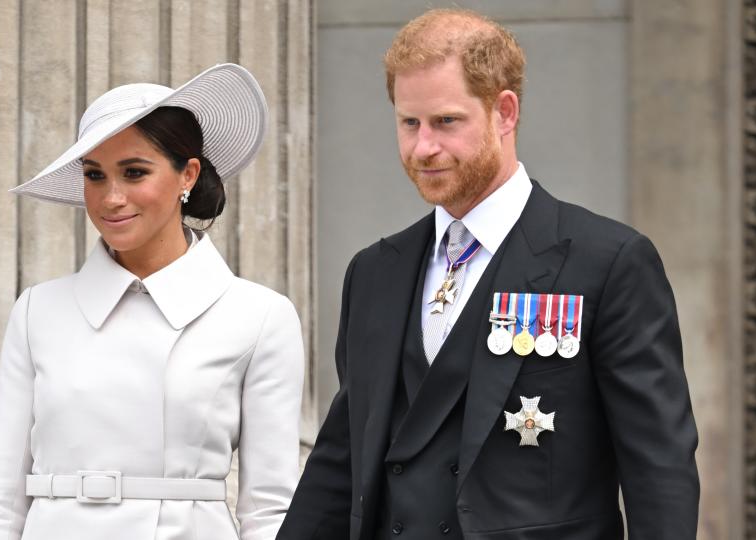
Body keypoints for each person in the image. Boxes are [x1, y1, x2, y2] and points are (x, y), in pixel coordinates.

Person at [279, 9, 698, 540]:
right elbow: (342, 458)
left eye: (446, 122)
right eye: (409, 123)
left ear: (504, 112)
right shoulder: (373, 272)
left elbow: (658, 464)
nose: (422, 148)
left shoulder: (609, 261)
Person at [0, 63, 304, 540]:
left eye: (134, 172)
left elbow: (271, 510)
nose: (111, 198)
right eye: (94, 174)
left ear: (187, 174)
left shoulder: (259, 317)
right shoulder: (36, 312)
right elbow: (0, 502)